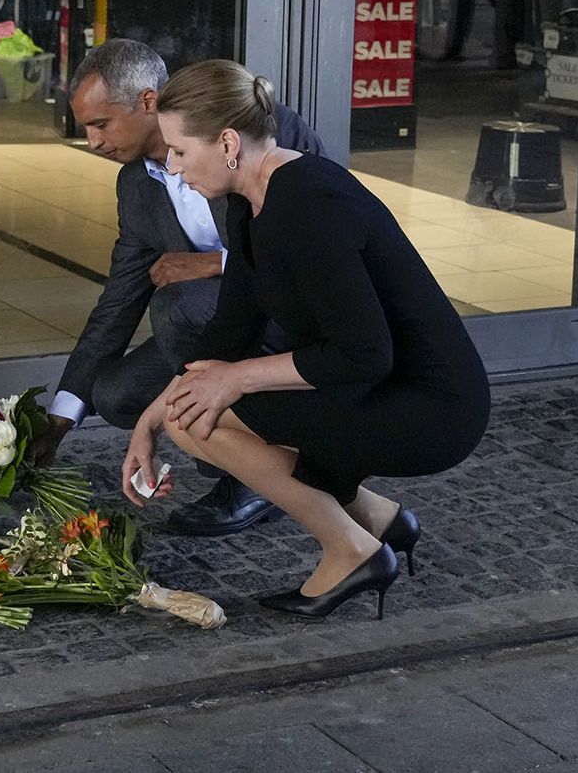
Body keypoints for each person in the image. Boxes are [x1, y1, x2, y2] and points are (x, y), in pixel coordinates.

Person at [122, 59, 490, 619]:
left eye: (178, 150)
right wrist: (150, 417)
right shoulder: (252, 202)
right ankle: (377, 520)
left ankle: (352, 552)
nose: (172, 168)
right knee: (183, 412)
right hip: (372, 385)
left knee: (197, 416)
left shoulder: (307, 202)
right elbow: (230, 332)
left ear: (226, 142)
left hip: (431, 406)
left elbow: (363, 352)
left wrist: (234, 379)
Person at [24, 38, 325, 536]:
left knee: (179, 306)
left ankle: (251, 475)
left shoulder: (260, 128)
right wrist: (59, 420)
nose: (94, 142)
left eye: (102, 124)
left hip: (294, 327)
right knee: (115, 392)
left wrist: (218, 263)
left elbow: (321, 240)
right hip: (224, 329)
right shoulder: (136, 184)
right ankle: (247, 443)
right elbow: (117, 303)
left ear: (147, 101)